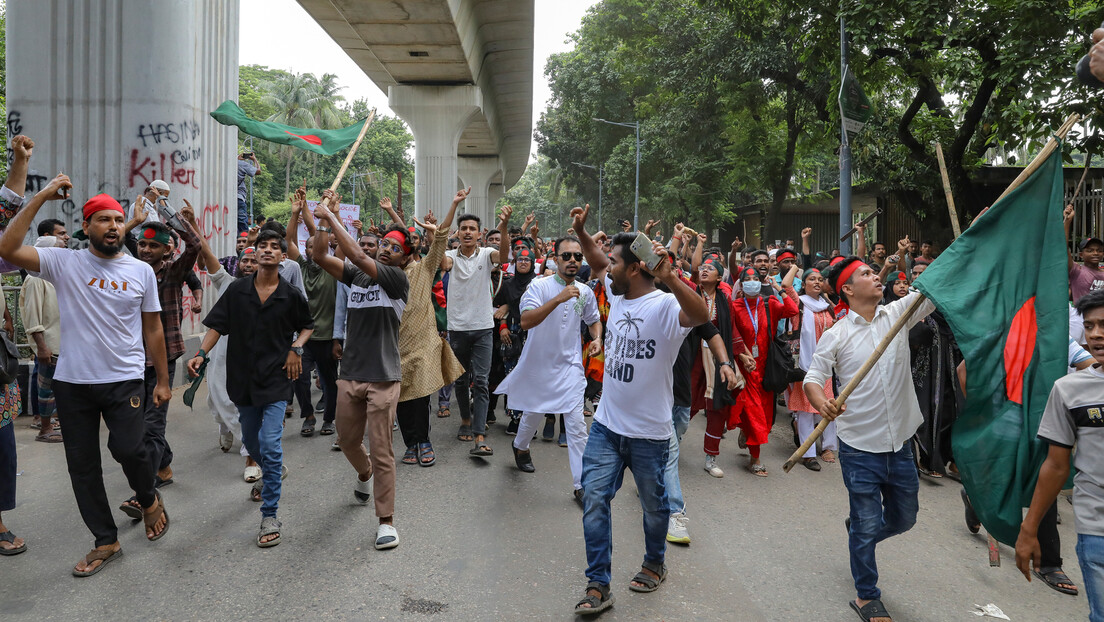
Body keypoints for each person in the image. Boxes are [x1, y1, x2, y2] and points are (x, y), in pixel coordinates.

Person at [0, 165, 172, 575]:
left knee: (130, 449)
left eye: (117, 219)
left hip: (124, 378)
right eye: (104, 220)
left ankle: (147, 497)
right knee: (83, 467)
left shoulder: (140, 270)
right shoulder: (65, 263)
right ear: (87, 225)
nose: (113, 227)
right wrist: (40, 197)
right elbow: (7, 249)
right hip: (73, 383)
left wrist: (163, 380)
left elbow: (153, 327)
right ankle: (105, 540)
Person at [570, 205, 709, 616]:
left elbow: (701, 315)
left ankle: (654, 562)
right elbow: (596, 260)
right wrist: (580, 232)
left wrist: (670, 276)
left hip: (650, 433)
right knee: (594, 498)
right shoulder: (617, 291)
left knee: (655, 506)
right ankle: (598, 583)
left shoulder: (665, 306)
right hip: (607, 428)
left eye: (614, 262)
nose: (604, 267)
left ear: (633, 269)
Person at [803, 256, 936, 622]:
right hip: (860, 448)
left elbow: (935, 287)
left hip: (901, 445)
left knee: (904, 519)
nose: (877, 278)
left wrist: (975, 234)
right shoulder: (837, 334)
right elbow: (812, 380)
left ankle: (860, 535)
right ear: (847, 289)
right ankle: (866, 596)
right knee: (865, 522)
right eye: (866, 274)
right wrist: (823, 403)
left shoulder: (897, 314)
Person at [186, 229, 313, 548]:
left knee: (269, 443)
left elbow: (308, 326)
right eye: (262, 247)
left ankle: (270, 514)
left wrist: (295, 349)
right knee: (253, 444)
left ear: (283, 257)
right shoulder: (237, 291)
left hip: (275, 379)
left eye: (275, 247)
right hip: (241, 381)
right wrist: (200, 353)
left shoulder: (291, 294)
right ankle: (273, 469)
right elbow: (218, 325)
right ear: (254, 255)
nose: (268, 251)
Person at [311, 195, 410, 549]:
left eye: (395, 248)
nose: (386, 250)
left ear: (404, 258)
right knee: (348, 440)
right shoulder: (356, 279)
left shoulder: (397, 281)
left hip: (384, 376)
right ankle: (363, 473)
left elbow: (356, 254)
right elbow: (321, 255)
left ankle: (386, 521)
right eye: (384, 244)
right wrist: (324, 223)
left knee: (382, 449)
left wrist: (331, 216)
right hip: (350, 372)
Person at [1016, 289, 1104, 621]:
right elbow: (1055, 465)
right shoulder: (1069, 390)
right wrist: (1029, 528)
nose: (1096, 334)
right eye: (1090, 326)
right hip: (1096, 526)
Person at [496, 236, 602, 501]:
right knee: (533, 413)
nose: (572, 261)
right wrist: (559, 298)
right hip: (538, 365)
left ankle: (582, 485)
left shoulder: (586, 291)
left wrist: (597, 337)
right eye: (566, 256)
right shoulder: (539, 286)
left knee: (577, 426)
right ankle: (520, 446)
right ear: (555, 259)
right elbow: (527, 321)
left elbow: (593, 320)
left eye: (577, 257)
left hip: (570, 368)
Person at [125, 208, 201, 498]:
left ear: (166, 248)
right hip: (132, 358)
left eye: (153, 245)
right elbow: (115, 240)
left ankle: (143, 491)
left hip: (163, 358)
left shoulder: (173, 271)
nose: (145, 250)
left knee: (152, 424)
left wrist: (171, 217)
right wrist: (133, 220)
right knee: (139, 422)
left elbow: (194, 245)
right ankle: (164, 465)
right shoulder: (130, 271)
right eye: (142, 244)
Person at [441, 206, 513, 456]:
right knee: (461, 380)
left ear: (480, 233)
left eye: (472, 229)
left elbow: (502, 257)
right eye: (464, 229)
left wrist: (503, 227)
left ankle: (479, 435)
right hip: (458, 329)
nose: (468, 232)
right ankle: (465, 419)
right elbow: (441, 262)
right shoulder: (450, 255)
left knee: (481, 381)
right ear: (458, 233)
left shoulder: (486, 254)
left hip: (483, 328)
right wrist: (434, 235)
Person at [731, 264, 799, 476]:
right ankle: (755, 459)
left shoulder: (769, 304)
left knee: (766, 416)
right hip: (745, 366)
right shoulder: (734, 306)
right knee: (754, 411)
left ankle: (747, 432)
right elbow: (729, 334)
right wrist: (742, 353)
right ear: (741, 284)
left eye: (755, 279)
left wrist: (778, 289)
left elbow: (792, 310)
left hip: (766, 367)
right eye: (747, 279)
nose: (752, 282)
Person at [287, 186, 340, 437]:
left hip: (328, 336)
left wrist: (332, 215)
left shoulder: (334, 267)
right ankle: (308, 415)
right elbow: (288, 241)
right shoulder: (300, 267)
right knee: (300, 378)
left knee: (330, 382)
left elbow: (336, 240)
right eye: (307, 247)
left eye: (314, 247)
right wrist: (295, 213)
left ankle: (329, 419)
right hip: (303, 337)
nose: (310, 250)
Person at [691, 253, 743, 478]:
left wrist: (743, 354)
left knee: (717, 407)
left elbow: (730, 330)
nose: (704, 270)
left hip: (717, 358)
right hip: (692, 356)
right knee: (686, 403)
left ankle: (711, 457)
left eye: (710, 269)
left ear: (719, 277)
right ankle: (667, 449)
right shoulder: (690, 292)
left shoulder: (725, 300)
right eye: (702, 267)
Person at [786, 267, 837, 471]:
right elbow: (786, 285)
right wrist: (795, 267)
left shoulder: (827, 306)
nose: (816, 282)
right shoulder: (799, 304)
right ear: (803, 284)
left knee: (828, 405)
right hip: (805, 364)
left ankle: (828, 447)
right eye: (811, 279)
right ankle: (807, 453)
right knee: (806, 410)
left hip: (825, 364)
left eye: (820, 279)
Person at [20, 235, 64, 443]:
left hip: (62, 342)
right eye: (60, 248)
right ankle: (45, 428)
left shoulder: (53, 275)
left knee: (58, 388)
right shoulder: (36, 278)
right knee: (46, 388)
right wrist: (42, 347)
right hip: (50, 343)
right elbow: (33, 314)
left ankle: (54, 424)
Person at [495, 246, 536, 434]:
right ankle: (514, 418)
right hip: (511, 332)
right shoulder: (508, 284)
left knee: (530, 377)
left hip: (533, 333)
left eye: (527, 260)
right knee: (512, 375)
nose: (523, 262)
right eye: (520, 259)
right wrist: (503, 328)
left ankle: (528, 422)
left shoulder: (538, 283)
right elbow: (502, 308)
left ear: (533, 263)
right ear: (515, 262)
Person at [1065, 204, 1104, 302]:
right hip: (1082, 316)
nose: (1095, 253)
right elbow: (1063, 248)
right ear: (1081, 255)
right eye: (1090, 251)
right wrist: (1068, 221)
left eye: (1099, 250)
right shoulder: (1077, 271)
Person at [237, 152, 258, 234]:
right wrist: (254, 159)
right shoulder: (241, 164)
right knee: (243, 228)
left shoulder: (226, 164)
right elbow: (258, 171)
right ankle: (245, 244)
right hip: (239, 198)